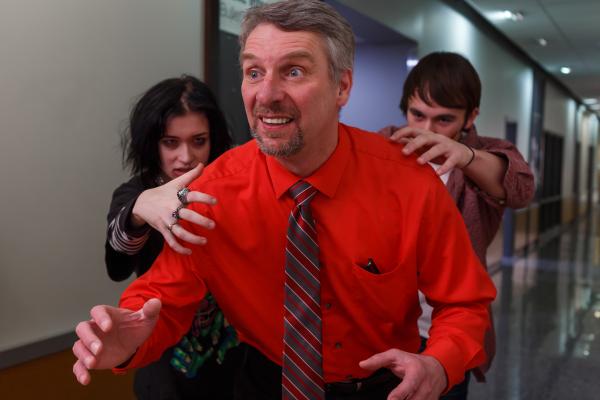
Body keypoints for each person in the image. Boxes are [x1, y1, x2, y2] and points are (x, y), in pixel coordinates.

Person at [73, 2, 497, 399]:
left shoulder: (410, 182)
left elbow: (464, 303)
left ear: (342, 86)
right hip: (262, 382)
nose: (267, 94)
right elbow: (160, 301)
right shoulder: (211, 191)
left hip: (384, 387)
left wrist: (440, 364)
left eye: (294, 71)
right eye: (254, 72)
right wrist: (129, 337)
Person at [379, 52, 535, 399]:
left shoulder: (485, 154)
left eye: (444, 120)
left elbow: (520, 188)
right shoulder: (383, 146)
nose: (428, 131)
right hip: (384, 325)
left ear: (470, 117)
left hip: (447, 331)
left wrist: (464, 155)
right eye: (417, 115)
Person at [104, 75, 239, 399]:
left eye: (198, 140)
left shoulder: (231, 186)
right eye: (170, 142)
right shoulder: (135, 192)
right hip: (163, 360)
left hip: (234, 357)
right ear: (152, 143)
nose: (185, 156)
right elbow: (117, 264)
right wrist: (138, 211)